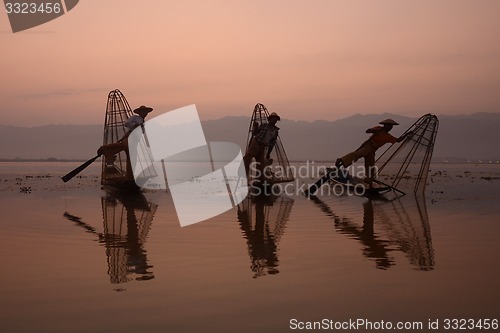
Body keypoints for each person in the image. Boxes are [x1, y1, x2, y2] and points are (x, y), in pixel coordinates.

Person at [334, 118, 410, 187]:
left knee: (370, 165)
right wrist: (373, 130)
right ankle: (341, 160)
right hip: (368, 145)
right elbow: (367, 131)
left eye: (391, 127)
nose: (390, 128)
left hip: (373, 149)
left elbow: (398, 140)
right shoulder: (378, 129)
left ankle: (368, 181)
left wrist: (407, 134)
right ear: (385, 125)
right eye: (389, 126)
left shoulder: (388, 136)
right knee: (358, 154)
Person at [97, 105, 153, 181]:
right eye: (143, 111)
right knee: (122, 146)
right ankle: (103, 149)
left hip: (136, 140)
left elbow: (142, 132)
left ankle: (130, 177)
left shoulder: (143, 121)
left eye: (146, 112)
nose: (145, 113)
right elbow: (126, 123)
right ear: (139, 112)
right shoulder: (135, 118)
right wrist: (135, 125)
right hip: (130, 137)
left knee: (133, 158)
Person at [243, 112, 281, 179]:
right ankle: (245, 175)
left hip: (263, 146)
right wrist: (256, 126)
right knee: (248, 158)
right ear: (270, 119)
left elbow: (272, 143)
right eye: (273, 119)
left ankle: (258, 179)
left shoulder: (275, 131)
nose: (274, 121)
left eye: (275, 120)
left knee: (260, 164)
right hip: (256, 143)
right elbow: (255, 133)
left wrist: (268, 153)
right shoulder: (264, 125)